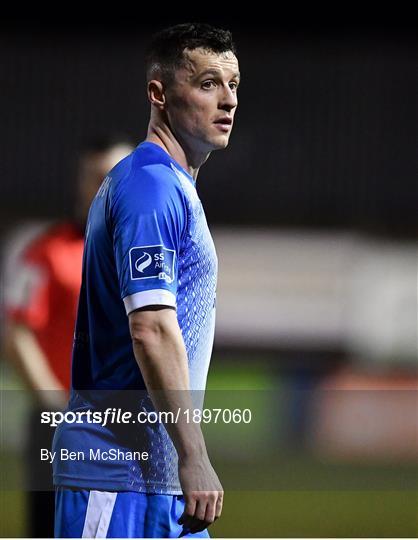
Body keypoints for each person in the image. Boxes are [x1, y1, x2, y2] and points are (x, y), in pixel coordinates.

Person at [52, 22, 240, 538]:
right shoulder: (149, 188)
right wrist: (195, 455)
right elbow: (151, 328)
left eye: (234, 84)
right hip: (117, 480)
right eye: (207, 83)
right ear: (159, 93)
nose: (228, 100)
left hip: (159, 483)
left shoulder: (167, 186)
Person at [3, 137, 133, 538]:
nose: (103, 187)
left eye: (114, 177)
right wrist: (53, 404)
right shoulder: (47, 252)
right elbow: (17, 334)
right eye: (95, 177)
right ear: (80, 182)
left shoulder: (139, 252)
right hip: (63, 419)